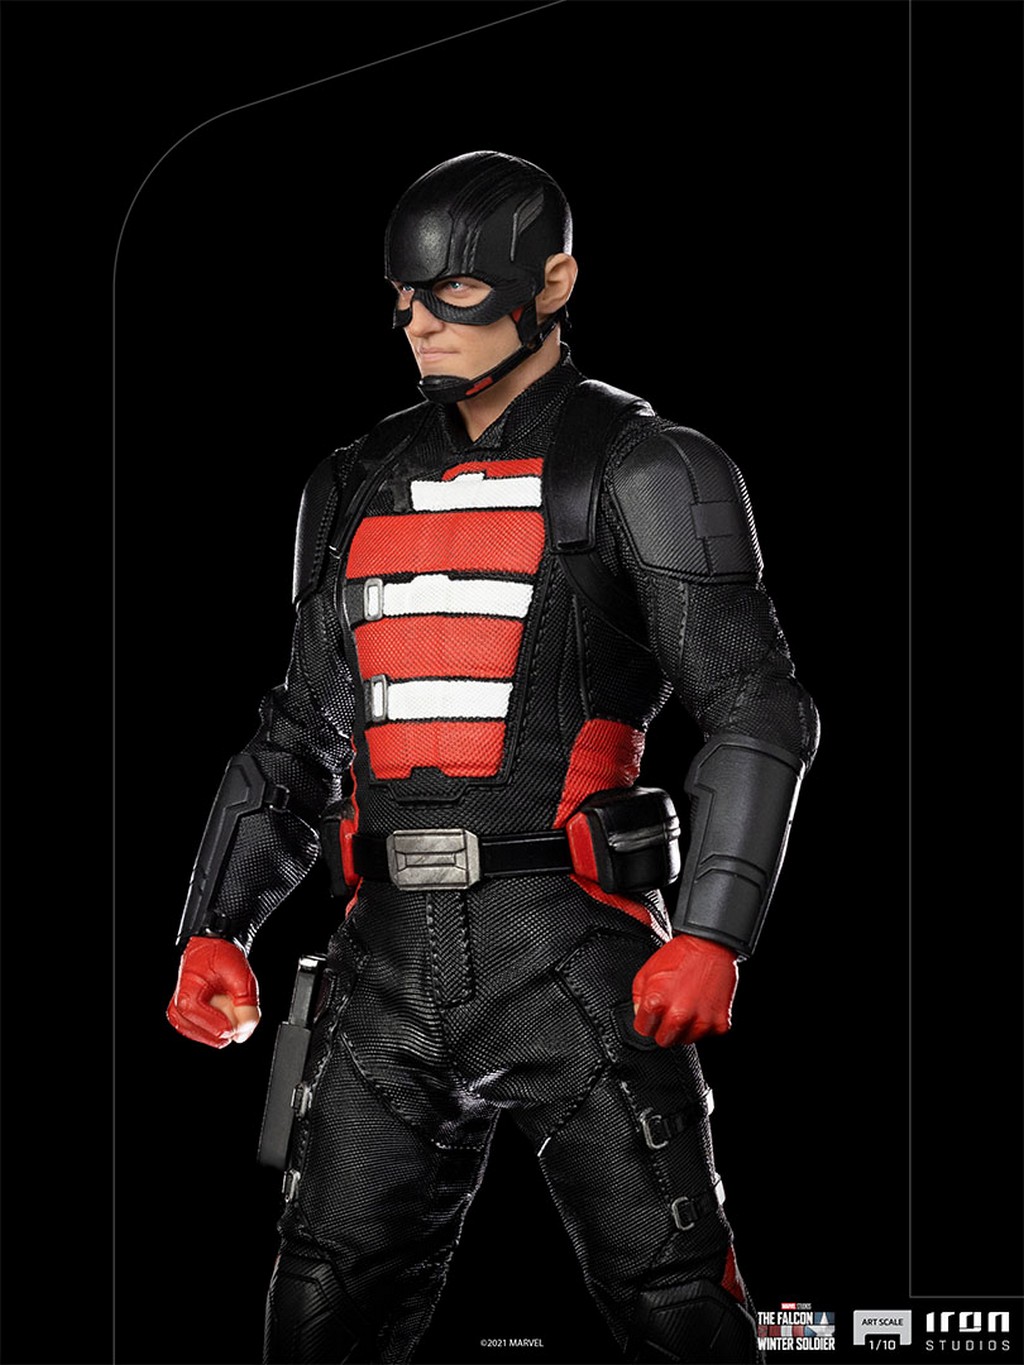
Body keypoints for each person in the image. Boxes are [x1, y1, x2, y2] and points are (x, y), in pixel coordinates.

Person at [167, 150, 819, 1364]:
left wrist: (716, 934)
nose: (420, 319)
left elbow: (755, 708)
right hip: (380, 967)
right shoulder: (351, 482)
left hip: (571, 953)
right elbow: (301, 731)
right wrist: (216, 925)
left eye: (457, 289)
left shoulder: (645, 465)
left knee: (675, 1308)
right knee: (317, 1314)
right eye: (404, 294)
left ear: (552, 282)